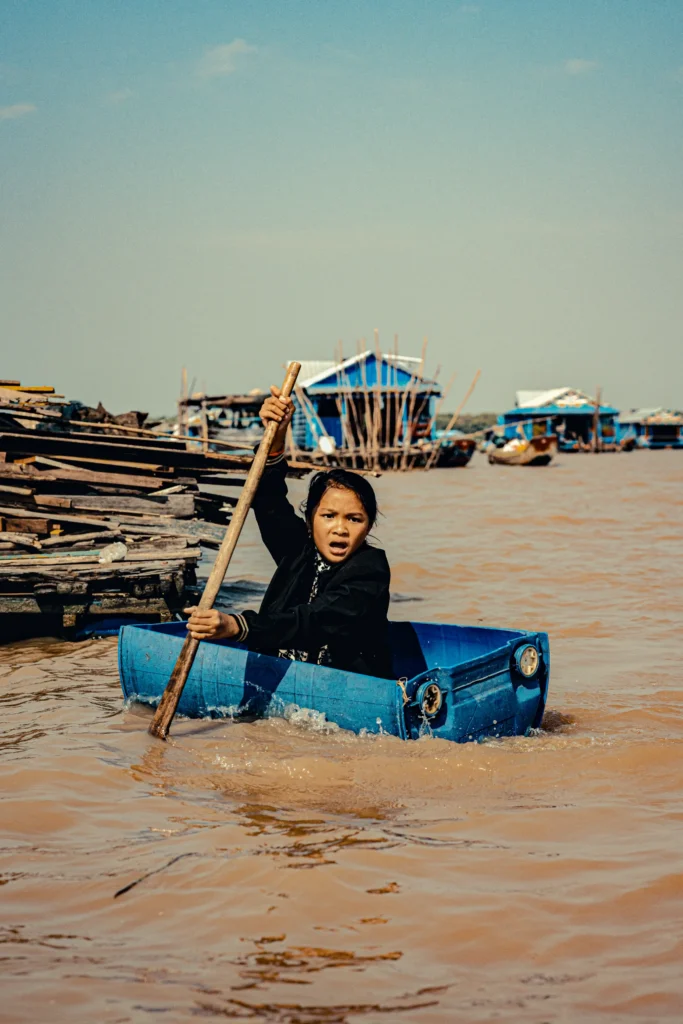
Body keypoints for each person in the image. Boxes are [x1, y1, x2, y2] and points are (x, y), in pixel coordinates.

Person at [184, 385, 393, 679]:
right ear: (309, 519)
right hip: (282, 673)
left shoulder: (370, 571)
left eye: (354, 519)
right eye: (329, 516)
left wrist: (238, 626)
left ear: (368, 526)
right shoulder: (298, 549)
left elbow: (316, 620)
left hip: (346, 686)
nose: (340, 529)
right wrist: (277, 434)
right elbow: (267, 499)